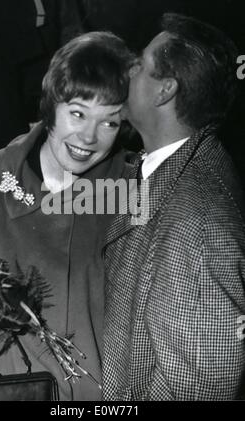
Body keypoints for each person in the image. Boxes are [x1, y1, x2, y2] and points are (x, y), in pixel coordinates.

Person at [0, 31, 133, 400]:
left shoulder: (130, 190)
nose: (89, 137)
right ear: (51, 105)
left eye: (109, 122)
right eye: (77, 113)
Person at [103, 13, 245, 400]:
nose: (127, 72)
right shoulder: (173, 168)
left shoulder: (194, 222)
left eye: (138, 66)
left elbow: (200, 388)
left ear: (164, 91)